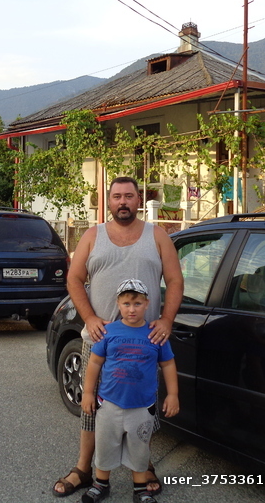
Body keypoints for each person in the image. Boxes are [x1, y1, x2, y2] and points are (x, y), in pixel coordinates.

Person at [52, 176, 184, 497]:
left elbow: (175, 280)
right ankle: (84, 469)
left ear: (138, 199)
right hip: (100, 341)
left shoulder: (157, 236)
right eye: (116, 196)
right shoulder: (92, 236)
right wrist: (89, 317)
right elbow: (74, 279)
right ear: (109, 201)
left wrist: (166, 319)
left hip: (144, 343)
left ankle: (144, 465)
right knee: (92, 410)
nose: (122, 202)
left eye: (128, 196)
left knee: (143, 409)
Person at [80, 279, 179, 503]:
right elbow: (94, 363)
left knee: (139, 448)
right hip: (109, 403)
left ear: (147, 304)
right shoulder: (108, 332)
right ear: (118, 304)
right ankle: (100, 484)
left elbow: (168, 364)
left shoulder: (155, 333)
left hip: (142, 406)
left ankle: (140, 489)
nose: (131, 309)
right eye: (126, 304)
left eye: (137, 304)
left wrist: (173, 395)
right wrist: (87, 393)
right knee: (105, 445)